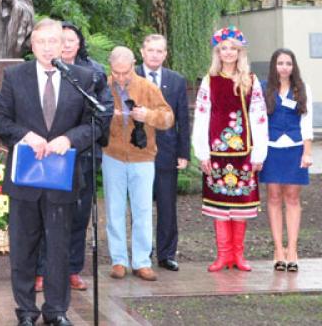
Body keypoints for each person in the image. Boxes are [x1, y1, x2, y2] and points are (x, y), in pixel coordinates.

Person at [0, 18, 96, 326]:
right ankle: (25, 311)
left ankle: (56, 310)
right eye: (42, 42)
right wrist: (25, 135)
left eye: (54, 41)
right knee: (23, 249)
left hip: (61, 178)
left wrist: (68, 139)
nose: (48, 47)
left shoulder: (82, 78)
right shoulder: (15, 76)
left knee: (59, 248)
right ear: (32, 46)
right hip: (26, 178)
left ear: (63, 44)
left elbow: (95, 124)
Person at [34, 21, 113, 292]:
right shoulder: (41, 72)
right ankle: (43, 270)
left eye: (71, 40)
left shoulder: (93, 73)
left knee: (79, 216)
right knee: (47, 215)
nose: (66, 45)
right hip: (48, 156)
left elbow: (105, 111)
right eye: (61, 40)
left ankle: (72, 269)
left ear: (79, 44)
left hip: (84, 156)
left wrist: (80, 138)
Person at [191, 26, 268, 272]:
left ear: (239, 52)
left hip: (243, 152)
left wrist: (259, 153)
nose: (228, 53)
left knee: (240, 205)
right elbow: (202, 117)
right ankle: (223, 255)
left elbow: (259, 117)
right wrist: (202, 151)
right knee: (219, 203)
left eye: (233, 49)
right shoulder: (209, 81)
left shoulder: (251, 81)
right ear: (218, 52)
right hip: (216, 153)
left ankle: (238, 254)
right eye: (223, 49)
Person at [103, 46, 174, 282]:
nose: (121, 77)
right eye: (117, 72)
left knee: (142, 210)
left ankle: (142, 262)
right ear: (110, 66)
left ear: (134, 64)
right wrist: (106, 114)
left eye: (126, 72)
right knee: (114, 210)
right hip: (112, 155)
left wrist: (149, 116)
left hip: (143, 158)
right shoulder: (103, 85)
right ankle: (118, 260)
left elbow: (168, 117)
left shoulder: (147, 87)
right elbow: (87, 113)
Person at [135, 34, 190, 272]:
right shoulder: (130, 76)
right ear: (142, 52)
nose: (155, 55)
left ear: (165, 54)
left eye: (160, 51)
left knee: (167, 206)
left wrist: (183, 153)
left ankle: (166, 254)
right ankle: (141, 253)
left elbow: (183, 120)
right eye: (151, 50)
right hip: (136, 150)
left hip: (167, 152)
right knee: (140, 205)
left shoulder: (176, 81)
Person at [259, 48, 314, 272]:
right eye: (280, 63)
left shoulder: (302, 88)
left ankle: (292, 249)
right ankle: (278, 250)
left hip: (294, 148)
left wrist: (307, 152)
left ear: (293, 66)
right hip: (271, 148)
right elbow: (258, 122)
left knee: (291, 198)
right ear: (274, 66)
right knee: (273, 197)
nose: (284, 67)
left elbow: (307, 122)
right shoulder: (263, 89)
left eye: (288, 63)